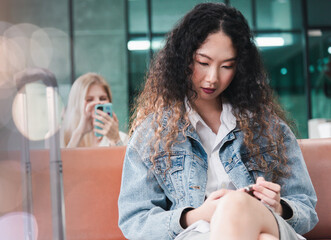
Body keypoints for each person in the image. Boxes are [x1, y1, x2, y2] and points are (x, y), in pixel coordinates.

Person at [118, 3, 318, 240]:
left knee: (236, 206)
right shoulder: (152, 133)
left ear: (240, 68)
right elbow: (134, 222)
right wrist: (196, 215)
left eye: (226, 66)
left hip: (269, 223)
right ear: (184, 60)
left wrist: (279, 207)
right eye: (203, 63)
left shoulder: (268, 127)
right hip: (199, 233)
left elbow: (306, 209)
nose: (213, 78)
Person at [62, 73, 128, 148]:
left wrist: (115, 140)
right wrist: (79, 133)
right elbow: (66, 159)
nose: (97, 103)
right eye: (89, 100)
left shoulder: (122, 138)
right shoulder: (64, 137)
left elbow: (123, 159)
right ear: (78, 104)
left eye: (103, 98)